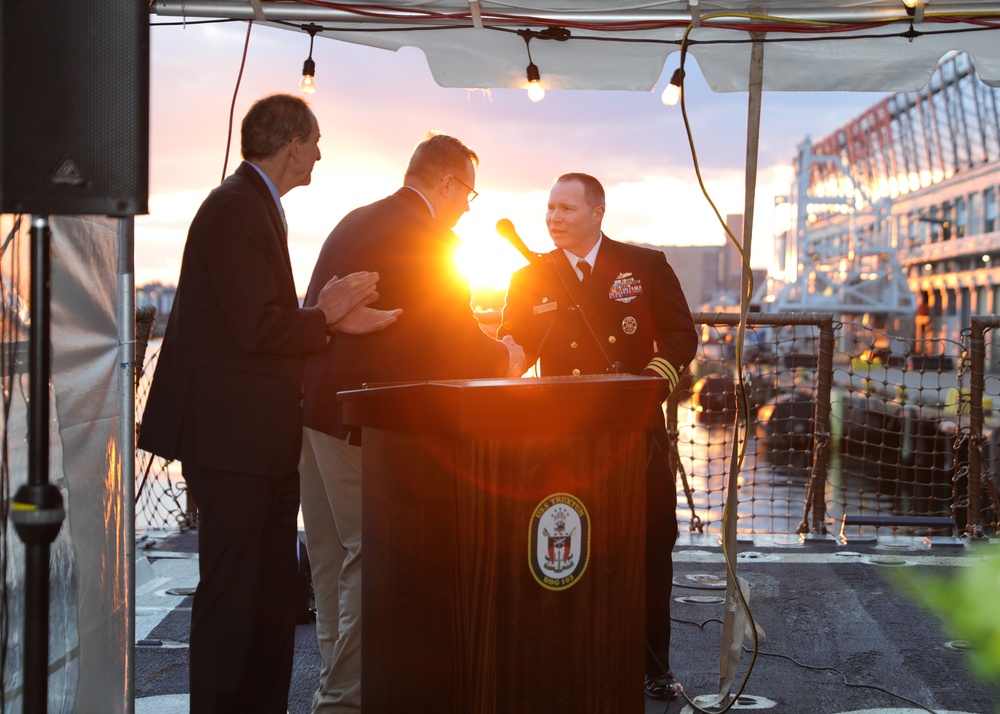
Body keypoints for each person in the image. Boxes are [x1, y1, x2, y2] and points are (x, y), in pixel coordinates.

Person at [137, 94, 400, 714]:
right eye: (314, 142)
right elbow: (258, 329)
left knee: (265, 592)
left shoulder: (255, 205)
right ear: (290, 146)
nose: (318, 154)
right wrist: (326, 317)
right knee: (236, 594)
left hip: (255, 440)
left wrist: (328, 323)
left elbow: (263, 323)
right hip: (233, 444)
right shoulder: (235, 209)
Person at [299, 132, 525, 713]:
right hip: (362, 424)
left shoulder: (355, 221)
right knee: (368, 561)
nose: (466, 209)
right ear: (447, 183)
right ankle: (345, 703)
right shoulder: (430, 240)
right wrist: (509, 356)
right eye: (468, 196)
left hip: (313, 415)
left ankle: (333, 681)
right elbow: (455, 345)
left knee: (328, 563)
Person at [499, 172, 697, 701]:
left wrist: (648, 387)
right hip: (560, 436)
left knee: (652, 545)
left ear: (597, 212)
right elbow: (512, 346)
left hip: (633, 430)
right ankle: (566, 651)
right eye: (549, 208)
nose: (554, 218)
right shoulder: (530, 276)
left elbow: (682, 335)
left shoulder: (644, 266)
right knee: (562, 542)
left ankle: (653, 661)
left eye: (566, 208)